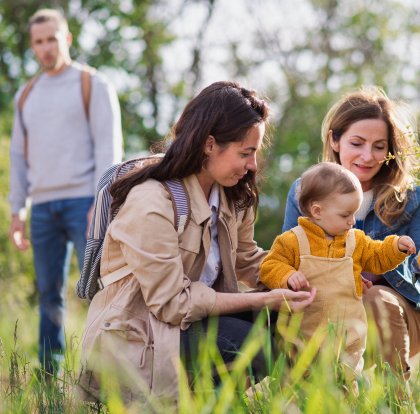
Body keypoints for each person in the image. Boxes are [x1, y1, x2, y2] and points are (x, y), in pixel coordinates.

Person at [79, 81, 316, 404]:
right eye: (245, 153)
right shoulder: (152, 200)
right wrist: (262, 300)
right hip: (144, 334)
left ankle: (217, 402)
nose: (253, 166)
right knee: (253, 343)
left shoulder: (231, 194)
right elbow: (172, 304)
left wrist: (311, 273)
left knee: (284, 320)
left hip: (193, 322)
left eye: (255, 153)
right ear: (208, 145)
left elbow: (247, 259)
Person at [283, 87, 420, 386]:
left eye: (379, 146)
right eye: (357, 143)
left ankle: (397, 399)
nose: (368, 156)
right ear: (334, 140)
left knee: (375, 296)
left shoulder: (411, 196)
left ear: (391, 150)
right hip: (332, 314)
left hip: (404, 316)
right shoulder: (305, 193)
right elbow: (290, 262)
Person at [7, 9, 123, 373]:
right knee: (48, 294)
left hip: (85, 202)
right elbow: (18, 158)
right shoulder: (25, 95)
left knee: (102, 288)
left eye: (51, 39)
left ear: (67, 39)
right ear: (32, 45)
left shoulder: (93, 84)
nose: (45, 47)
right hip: (41, 207)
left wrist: (100, 202)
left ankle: (107, 373)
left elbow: (109, 148)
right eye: (38, 41)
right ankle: (50, 376)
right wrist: (17, 211)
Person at [260, 162, 418, 394]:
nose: (352, 221)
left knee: (344, 386)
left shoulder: (356, 241)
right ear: (317, 211)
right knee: (296, 388)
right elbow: (269, 266)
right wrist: (287, 275)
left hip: (347, 338)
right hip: (302, 334)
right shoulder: (291, 241)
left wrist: (395, 247)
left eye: (354, 213)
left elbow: (377, 256)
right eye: (346, 214)